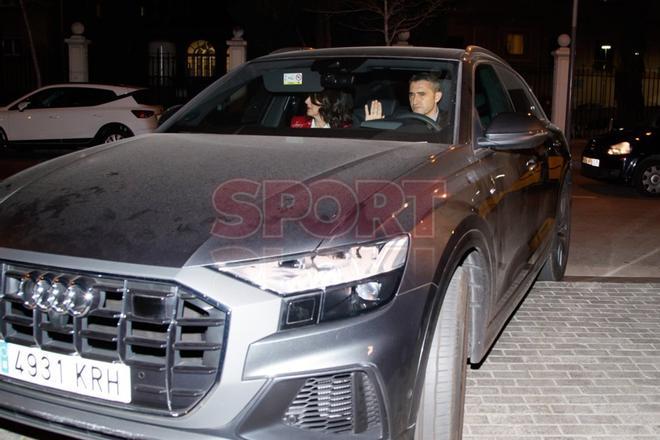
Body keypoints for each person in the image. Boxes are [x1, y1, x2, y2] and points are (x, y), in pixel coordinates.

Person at [364, 72, 447, 127]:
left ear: (437, 97)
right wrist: (372, 127)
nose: (414, 101)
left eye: (421, 94)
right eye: (411, 95)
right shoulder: (399, 121)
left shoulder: (452, 123)